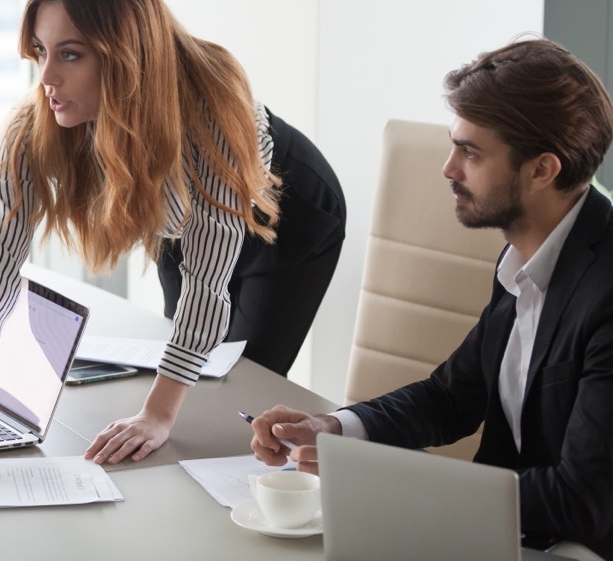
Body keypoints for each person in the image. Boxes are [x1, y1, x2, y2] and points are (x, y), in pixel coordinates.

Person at [0, 0, 346, 482]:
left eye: (70, 55)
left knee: (240, 383)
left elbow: (206, 288)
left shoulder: (210, 115)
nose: (47, 78)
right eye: (40, 52)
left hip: (285, 213)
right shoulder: (34, 129)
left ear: (125, 55)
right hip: (186, 211)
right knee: (190, 363)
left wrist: (157, 414)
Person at [249, 38, 613, 558]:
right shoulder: (524, 261)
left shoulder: (605, 292)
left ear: (542, 170)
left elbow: (582, 500)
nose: (447, 168)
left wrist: (386, 483)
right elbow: (451, 397)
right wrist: (333, 430)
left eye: (470, 152)